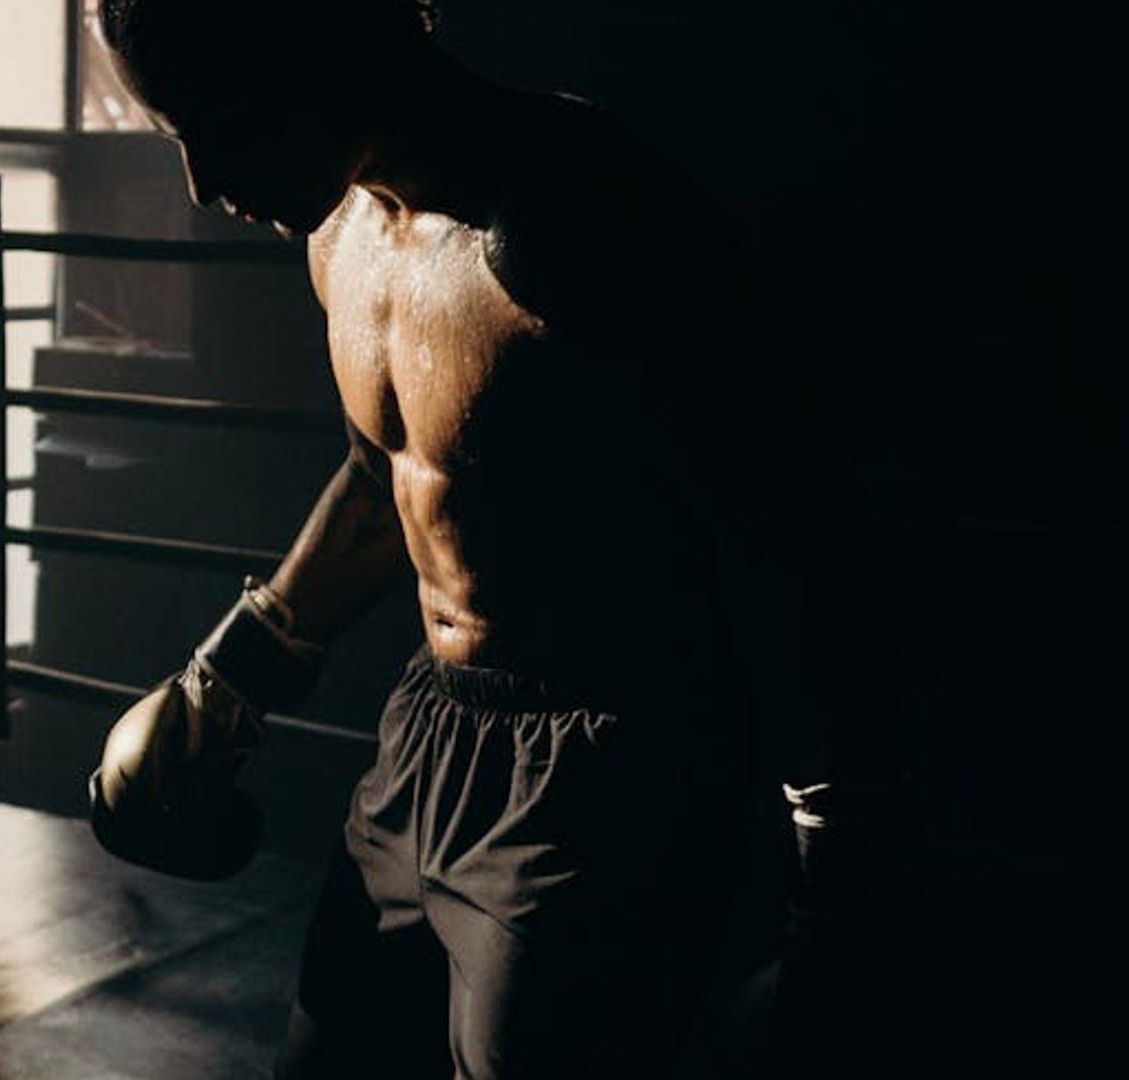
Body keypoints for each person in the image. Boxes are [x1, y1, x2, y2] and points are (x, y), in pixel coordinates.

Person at [85, 2, 904, 1077]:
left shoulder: (580, 210)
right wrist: (226, 677)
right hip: (427, 738)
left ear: (311, 37)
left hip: (611, 773)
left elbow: (794, 516)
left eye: (215, 116)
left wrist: (844, 863)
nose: (200, 179)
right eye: (171, 133)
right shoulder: (344, 232)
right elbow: (390, 483)